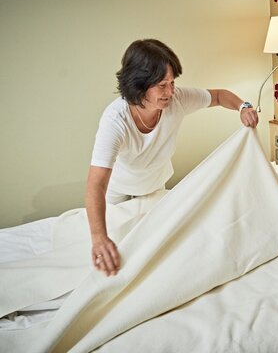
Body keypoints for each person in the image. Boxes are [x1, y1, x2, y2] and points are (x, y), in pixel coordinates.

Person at [86, 39, 259, 276]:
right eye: (161, 85)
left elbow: (219, 96)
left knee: (158, 258)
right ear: (138, 85)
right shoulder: (115, 120)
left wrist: (244, 106)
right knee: (119, 257)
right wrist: (99, 237)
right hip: (118, 194)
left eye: (172, 83)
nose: (170, 92)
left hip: (156, 189)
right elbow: (96, 184)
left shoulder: (177, 100)